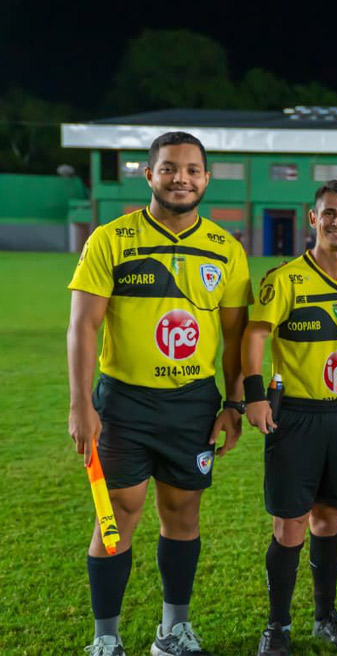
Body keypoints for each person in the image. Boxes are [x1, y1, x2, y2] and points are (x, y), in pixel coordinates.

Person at [67, 131, 251, 656]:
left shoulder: (225, 249)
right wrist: (82, 405)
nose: (181, 179)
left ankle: (173, 631)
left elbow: (237, 336)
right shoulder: (111, 239)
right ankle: (106, 639)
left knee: (183, 514)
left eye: (192, 170)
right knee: (117, 515)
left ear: (206, 179)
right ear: (148, 175)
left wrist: (233, 403)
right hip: (123, 404)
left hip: (193, 403)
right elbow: (82, 327)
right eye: (169, 168)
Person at [243, 180, 337, 655]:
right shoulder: (285, 279)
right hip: (295, 415)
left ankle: (325, 616)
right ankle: (277, 626)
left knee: (330, 517)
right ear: (312, 219)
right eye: (329, 213)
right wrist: (253, 396)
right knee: (290, 523)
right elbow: (256, 335)